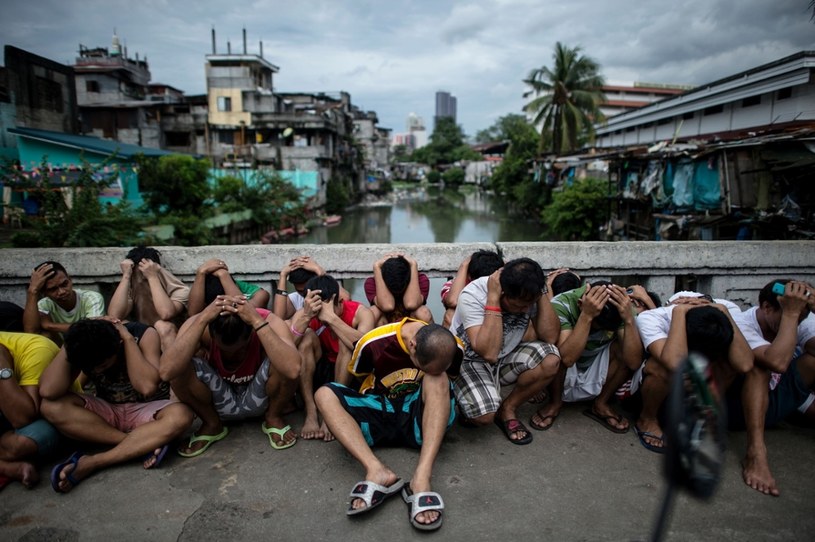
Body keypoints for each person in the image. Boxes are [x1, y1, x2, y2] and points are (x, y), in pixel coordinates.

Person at [315, 320, 462, 531]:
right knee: (324, 393)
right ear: (412, 345)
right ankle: (376, 470)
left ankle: (421, 478)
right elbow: (360, 378)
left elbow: (450, 383)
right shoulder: (373, 342)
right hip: (380, 410)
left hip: (418, 419)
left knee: (438, 379)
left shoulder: (454, 348)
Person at [39, 318, 194, 493]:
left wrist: (127, 339)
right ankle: (139, 445)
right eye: (92, 368)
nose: (97, 371)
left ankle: (94, 462)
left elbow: (147, 387)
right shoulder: (82, 345)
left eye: (103, 365)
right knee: (50, 406)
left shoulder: (142, 334)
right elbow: (48, 391)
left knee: (182, 415)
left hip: (147, 410)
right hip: (107, 411)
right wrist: (71, 341)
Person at [159, 294, 300, 456]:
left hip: (258, 397)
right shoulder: (201, 324)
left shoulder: (268, 320)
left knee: (285, 358)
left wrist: (257, 322)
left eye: (240, 350)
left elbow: (293, 369)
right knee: (179, 367)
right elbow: (166, 372)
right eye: (225, 350)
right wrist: (202, 319)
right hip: (219, 400)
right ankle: (212, 424)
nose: (233, 356)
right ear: (211, 336)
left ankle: (273, 417)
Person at [451, 257, 561, 445]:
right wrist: (493, 299)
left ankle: (508, 408)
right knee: (484, 416)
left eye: (529, 304)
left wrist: (540, 291)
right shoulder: (473, 294)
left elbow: (550, 337)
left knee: (550, 358)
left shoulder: (528, 294)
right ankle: (464, 399)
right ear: (502, 291)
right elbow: (488, 353)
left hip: (505, 355)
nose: (526, 309)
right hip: (469, 360)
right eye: (519, 306)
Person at [729, 279, 815, 496]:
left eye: (801, 318)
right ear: (766, 307)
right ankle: (756, 453)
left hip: (776, 403)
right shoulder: (742, 323)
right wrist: (791, 314)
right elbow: (777, 362)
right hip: (738, 408)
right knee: (759, 366)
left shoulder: (799, 317)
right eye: (791, 316)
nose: (796, 324)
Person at [633, 299, 753, 453]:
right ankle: (647, 420)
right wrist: (679, 312)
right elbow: (674, 363)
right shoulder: (652, 318)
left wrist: (723, 311)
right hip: (653, 393)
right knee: (662, 365)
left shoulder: (726, 310)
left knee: (730, 363)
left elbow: (745, 364)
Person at [537, 281, 642, 433]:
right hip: (568, 366)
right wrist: (587, 316)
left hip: (596, 362)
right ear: (581, 303)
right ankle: (555, 402)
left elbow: (633, 362)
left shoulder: (621, 307)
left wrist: (628, 319)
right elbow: (566, 358)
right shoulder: (562, 304)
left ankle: (601, 404)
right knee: (555, 353)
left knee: (626, 347)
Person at [290, 274, 375, 440]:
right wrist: (307, 317)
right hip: (320, 369)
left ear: (339, 302)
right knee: (305, 337)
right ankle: (311, 411)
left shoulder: (360, 312)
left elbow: (366, 350)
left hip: (349, 374)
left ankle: (333, 410)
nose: (321, 315)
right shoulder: (306, 313)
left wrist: (332, 319)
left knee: (346, 342)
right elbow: (287, 352)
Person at [0, 332, 61, 490]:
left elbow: (22, 417)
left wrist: (2, 370)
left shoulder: (36, 348)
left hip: (39, 417)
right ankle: (8, 468)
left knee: (25, 443)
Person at [108, 247, 190, 352]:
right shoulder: (131, 285)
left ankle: (172, 367)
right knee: (120, 326)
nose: (141, 278)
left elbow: (166, 313)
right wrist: (126, 276)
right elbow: (114, 316)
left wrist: (152, 277)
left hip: (171, 343)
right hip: (141, 338)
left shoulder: (178, 289)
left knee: (163, 326)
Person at [23, 261, 105, 343]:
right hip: (60, 350)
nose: (61, 292)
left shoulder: (91, 298)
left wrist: (50, 325)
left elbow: (93, 332)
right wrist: (32, 291)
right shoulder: (43, 305)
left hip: (89, 348)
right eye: (53, 289)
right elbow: (31, 333)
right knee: (44, 337)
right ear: (44, 293)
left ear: (70, 279)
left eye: (64, 284)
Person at [440, 249, 504, 328]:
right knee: (450, 314)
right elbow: (453, 301)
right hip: (469, 323)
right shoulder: (453, 285)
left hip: (495, 321)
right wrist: (464, 266)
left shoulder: (503, 285)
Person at [365, 253, 433, 326]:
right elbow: (387, 306)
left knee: (423, 312)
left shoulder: (420, 280)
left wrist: (413, 265)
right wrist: (376, 267)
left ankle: (431, 337)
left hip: (411, 327)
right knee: (373, 312)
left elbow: (411, 304)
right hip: (385, 327)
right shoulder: (372, 283)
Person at [273, 255, 348, 320]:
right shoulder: (296, 299)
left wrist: (319, 271)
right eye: (301, 291)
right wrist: (283, 275)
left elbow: (346, 299)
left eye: (308, 289)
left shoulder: (328, 296)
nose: (305, 294)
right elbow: (278, 318)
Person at [188, 258, 270, 315]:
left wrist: (223, 274)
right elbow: (193, 314)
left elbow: (245, 313)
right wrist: (201, 273)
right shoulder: (205, 290)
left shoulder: (259, 294)